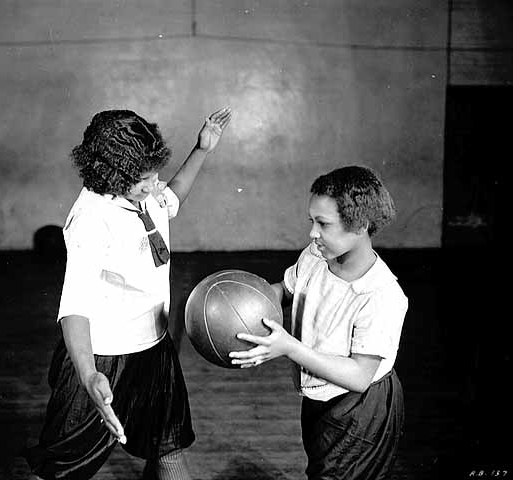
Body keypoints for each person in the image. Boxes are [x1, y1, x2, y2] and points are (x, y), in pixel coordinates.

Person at [24, 106, 232, 480]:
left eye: (155, 176)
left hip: (153, 348)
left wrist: (201, 150)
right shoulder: (90, 217)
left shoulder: (143, 192)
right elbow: (74, 307)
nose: (154, 186)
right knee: (62, 469)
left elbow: (172, 199)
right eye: (144, 181)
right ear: (111, 175)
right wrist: (88, 376)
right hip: (104, 358)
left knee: (167, 450)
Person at [229, 165, 407, 480]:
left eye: (323, 224)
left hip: (359, 406)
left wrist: (288, 347)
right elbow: (285, 289)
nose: (312, 233)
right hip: (318, 391)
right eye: (311, 221)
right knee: (320, 469)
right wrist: (242, 301)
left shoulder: (381, 294)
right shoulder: (315, 255)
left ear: (360, 225)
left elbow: (359, 376)